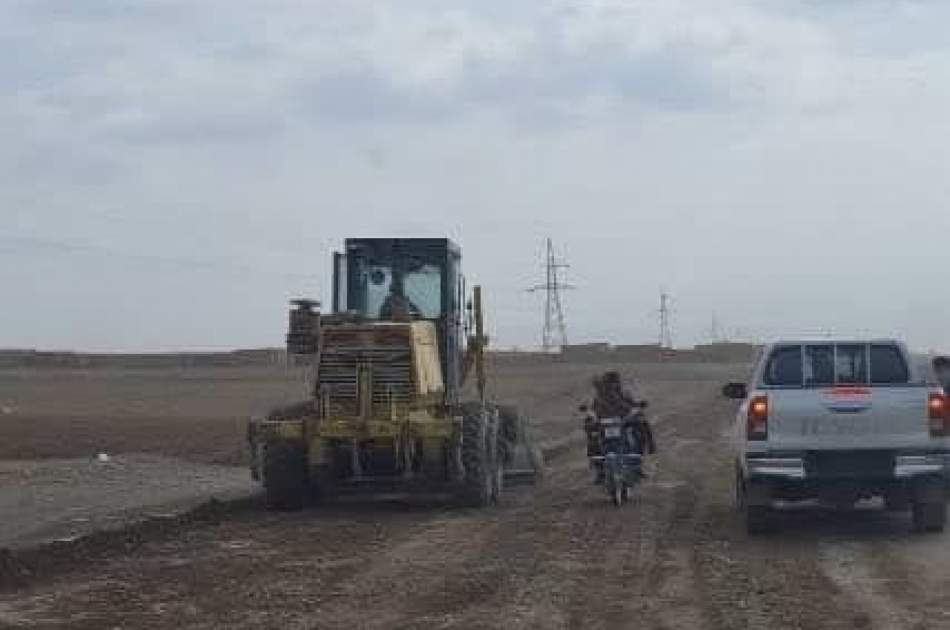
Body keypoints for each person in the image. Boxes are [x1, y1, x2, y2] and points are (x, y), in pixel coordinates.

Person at [584, 370, 656, 482]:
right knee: (593, 437)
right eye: (610, 382)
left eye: (614, 382)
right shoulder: (599, 397)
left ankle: (643, 456)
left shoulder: (623, 394)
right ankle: (598, 468)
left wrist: (636, 411)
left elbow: (632, 405)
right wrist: (591, 418)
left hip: (623, 422)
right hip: (605, 425)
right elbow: (593, 411)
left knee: (641, 426)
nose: (613, 385)